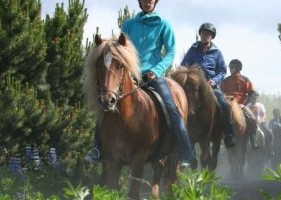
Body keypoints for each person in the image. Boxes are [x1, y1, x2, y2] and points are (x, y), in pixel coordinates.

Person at [86, 0, 196, 168]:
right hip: (130, 75)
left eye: (150, 0)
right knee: (105, 105)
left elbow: (171, 51)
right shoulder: (129, 24)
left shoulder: (164, 25)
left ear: (155, 2)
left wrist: (158, 70)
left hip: (154, 75)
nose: (147, 2)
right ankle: (98, 149)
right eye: (143, 0)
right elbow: (120, 49)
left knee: (172, 106)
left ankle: (185, 151)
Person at [181, 22, 235, 148]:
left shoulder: (217, 53)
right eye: (203, 33)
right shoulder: (192, 50)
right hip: (194, 85)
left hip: (211, 85)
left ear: (212, 37)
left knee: (225, 105)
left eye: (208, 34)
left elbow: (222, 70)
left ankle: (228, 134)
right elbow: (184, 65)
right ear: (200, 34)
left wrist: (214, 81)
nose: (205, 36)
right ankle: (178, 135)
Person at [220, 59, 259, 149]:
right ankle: (215, 140)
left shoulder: (245, 80)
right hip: (228, 104)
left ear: (238, 68)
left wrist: (245, 104)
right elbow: (221, 93)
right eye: (229, 67)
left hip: (242, 105)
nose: (230, 69)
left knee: (253, 119)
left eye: (232, 67)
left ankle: (253, 141)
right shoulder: (226, 80)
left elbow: (252, 93)